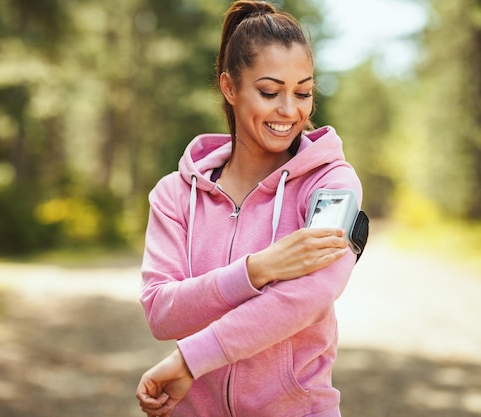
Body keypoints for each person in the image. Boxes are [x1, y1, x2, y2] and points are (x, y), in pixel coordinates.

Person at [136, 1, 366, 416]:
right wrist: (257, 270)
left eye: (303, 92)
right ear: (230, 87)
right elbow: (160, 312)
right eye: (268, 91)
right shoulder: (174, 194)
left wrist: (191, 359)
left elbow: (308, 296)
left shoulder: (329, 184)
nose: (289, 110)